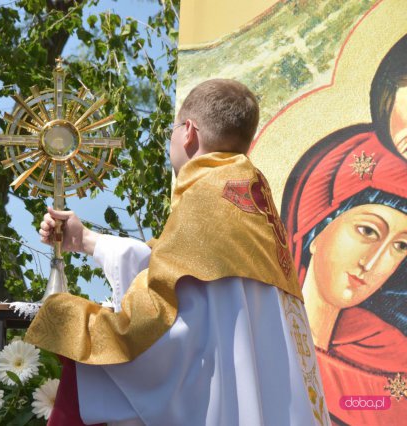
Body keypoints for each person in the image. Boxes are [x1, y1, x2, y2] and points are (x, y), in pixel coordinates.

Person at [26, 79, 329, 425]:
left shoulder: (205, 197)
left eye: (172, 130)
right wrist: (87, 241)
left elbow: (161, 328)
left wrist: (76, 321)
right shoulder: (250, 198)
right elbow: (179, 278)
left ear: (188, 132)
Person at [280, 34, 407, 426]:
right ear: (315, 227)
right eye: (368, 231)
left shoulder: (390, 358)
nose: (375, 261)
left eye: (401, 245)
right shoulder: (258, 336)